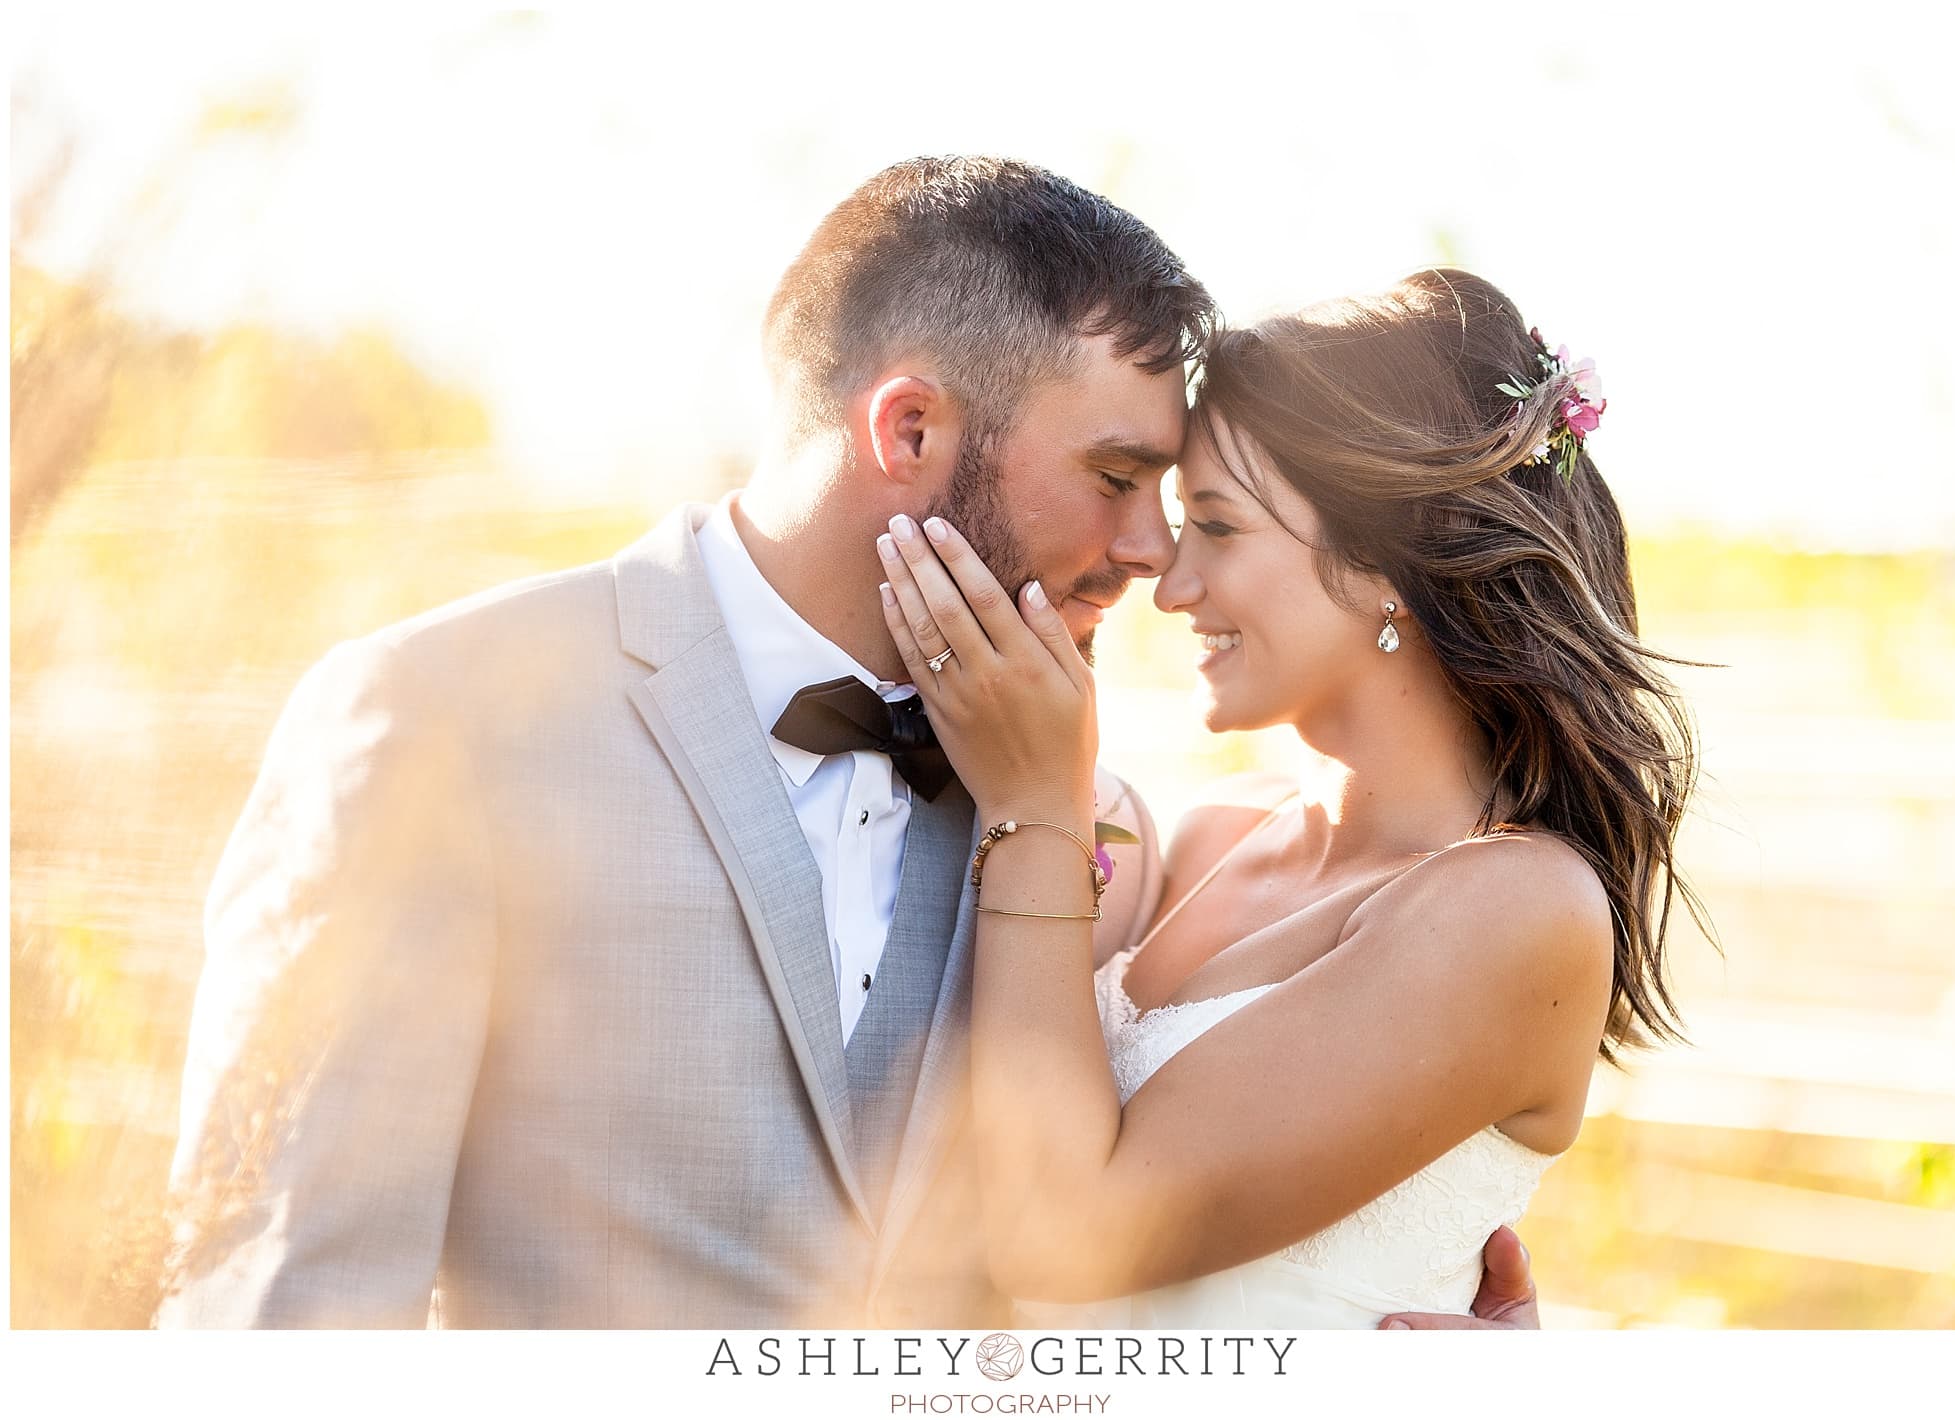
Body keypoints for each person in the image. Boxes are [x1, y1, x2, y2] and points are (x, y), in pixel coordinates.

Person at [156, 159, 1536, 1328]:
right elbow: (288, 1313)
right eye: (1117, 480)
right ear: (912, 426)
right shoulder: (437, 723)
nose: (1150, 551)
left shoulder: (1085, 826)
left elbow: (1174, 1229)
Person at [873, 268, 1704, 1327]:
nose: (1169, 584)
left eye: (1215, 525)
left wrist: (1033, 806)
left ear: (1385, 564)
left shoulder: (1517, 911)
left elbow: (1061, 1240)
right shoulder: (1205, 835)